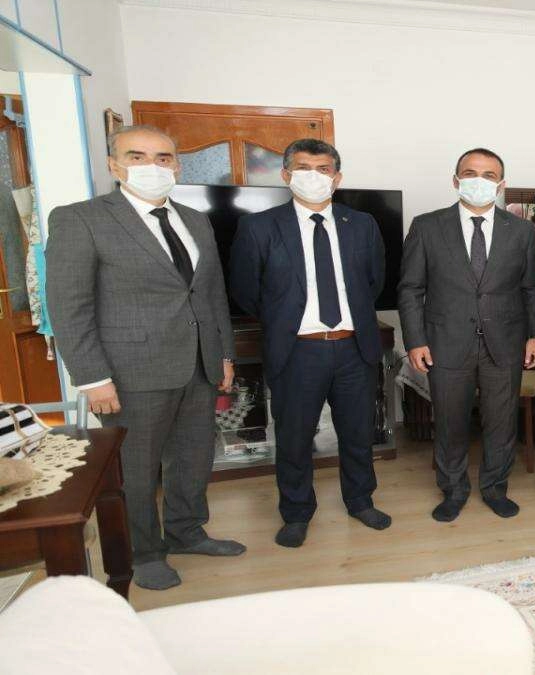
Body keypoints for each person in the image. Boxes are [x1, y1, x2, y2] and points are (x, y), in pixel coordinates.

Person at [46, 125, 245, 590]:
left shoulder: (195, 219)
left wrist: (224, 354)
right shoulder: (80, 219)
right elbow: (69, 306)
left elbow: (210, 293)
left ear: (177, 165)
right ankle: (144, 552)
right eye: (137, 156)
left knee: (193, 458)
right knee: (135, 470)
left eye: (163, 157)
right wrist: (92, 377)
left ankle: (186, 532)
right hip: (130, 371)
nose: (152, 166)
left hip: (198, 364)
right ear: (114, 165)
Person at [230, 139, 391, 548]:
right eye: (303, 168)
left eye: (323, 169)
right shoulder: (259, 227)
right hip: (297, 350)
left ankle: (360, 501)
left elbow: (373, 282)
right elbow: (246, 291)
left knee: (357, 434)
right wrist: (286, 318)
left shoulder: (362, 224)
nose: (314, 176)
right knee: (294, 438)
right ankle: (297, 512)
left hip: (354, 347)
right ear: (286, 175)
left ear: (337, 178)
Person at [398, 148, 535, 523]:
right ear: (455, 180)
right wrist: (415, 340)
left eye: (489, 175)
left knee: (501, 423)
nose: (480, 181)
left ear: (501, 184)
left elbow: (530, 289)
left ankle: (495, 488)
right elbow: (411, 288)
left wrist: (534, 336)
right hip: (445, 342)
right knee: (450, 422)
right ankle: (454, 490)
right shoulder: (427, 226)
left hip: (505, 343)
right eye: (470, 173)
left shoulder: (521, 231)